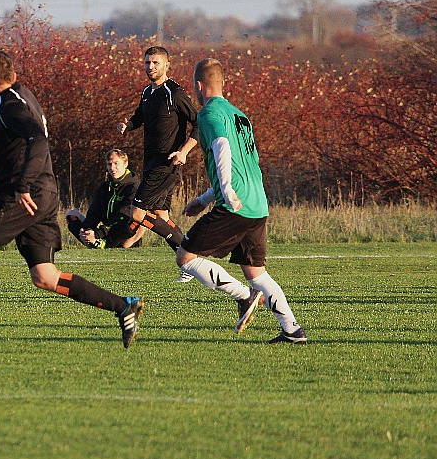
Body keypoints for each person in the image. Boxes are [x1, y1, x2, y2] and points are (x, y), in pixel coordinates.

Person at [0, 50, 143, 356]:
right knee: (45, 276)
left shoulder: (8, 104)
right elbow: (20, 143)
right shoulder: (23, 94)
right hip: (44, 192)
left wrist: (22, 185)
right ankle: (124, 306)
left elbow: (37, 141)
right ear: (13, 75)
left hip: (27, 194)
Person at [178, 58, 307, 344]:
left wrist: (225, 191)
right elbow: (243, 165)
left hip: (236, 205)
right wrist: (203, 199)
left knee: (185, 256)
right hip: (257, 203)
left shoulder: (208, 113)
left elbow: (222, 147)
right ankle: (292, 329)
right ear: (222, 83)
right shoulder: (239, 116)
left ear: (199, 86)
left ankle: (245, 297)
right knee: (256, 271)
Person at [117, 46, 199, 279]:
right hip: (151, 162)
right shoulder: (147, 92)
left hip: (167, 163)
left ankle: (189, 254)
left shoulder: (175, 93)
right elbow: (139, 117)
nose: (150, 67)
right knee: (161, 215)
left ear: (166, 65)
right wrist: (128, 125)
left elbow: (199, 124)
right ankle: (189, 265)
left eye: (154, 63)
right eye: (146, 63)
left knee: (137, 212)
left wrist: (184, 151)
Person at [65, 148, 141, 249]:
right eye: (109, 164)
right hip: (104, 231)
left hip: (122, 230)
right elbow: (94, 213)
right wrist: (87, 231)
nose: (112, 167)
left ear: (125, 164)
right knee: (72, 215)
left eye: (116, 163)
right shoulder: (104, 187)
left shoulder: (134, 187)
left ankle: (104, 244)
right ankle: (94, 242)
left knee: (132, 222)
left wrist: (98, 233)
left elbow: (124, 215)